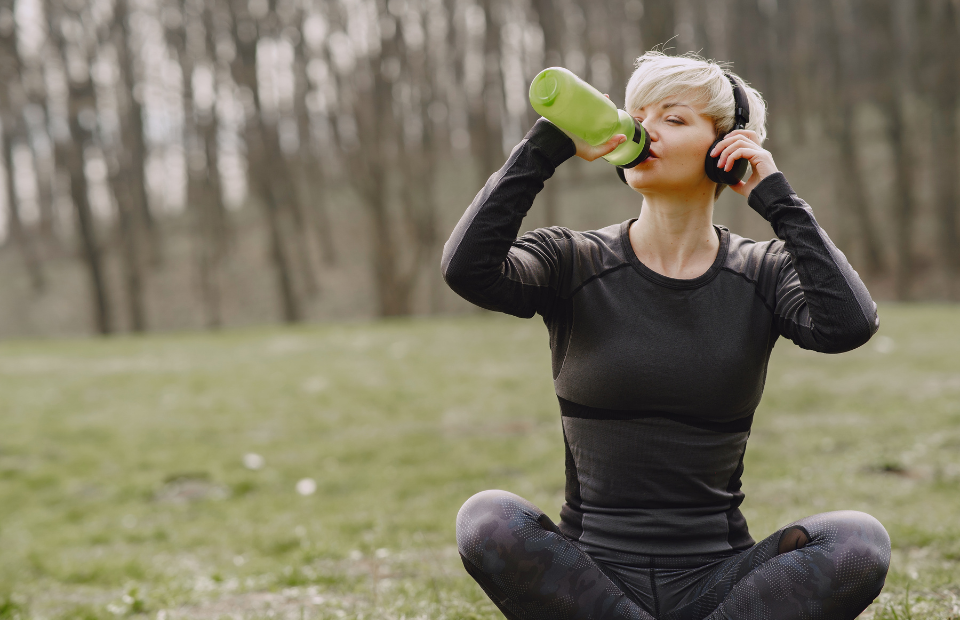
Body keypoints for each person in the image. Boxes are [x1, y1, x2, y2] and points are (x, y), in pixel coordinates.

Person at [440, 52, 890, 620]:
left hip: (719, 583)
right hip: (591, 581)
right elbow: (468, 269)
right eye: (637, 114)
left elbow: (849, 324)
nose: (642, 129)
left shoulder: (763, 272)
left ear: (729, 152)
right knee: (487, 518)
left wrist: (777, 199)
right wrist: (544, 147)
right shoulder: (572, 259)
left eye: (674, 119)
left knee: (858, 542)